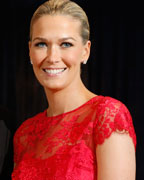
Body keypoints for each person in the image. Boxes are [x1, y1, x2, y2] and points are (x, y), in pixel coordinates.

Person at [11, 0, 136, 179]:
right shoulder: (23, 134)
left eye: (66, 44)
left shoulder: (107, 114)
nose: (52, 57)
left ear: (86, 51)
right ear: (30, 50)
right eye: (41, 44)